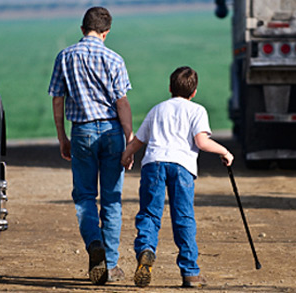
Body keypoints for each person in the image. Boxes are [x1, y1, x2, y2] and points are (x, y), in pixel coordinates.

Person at [121, 66, 234, 288]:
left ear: (170, 88)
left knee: (149, 214)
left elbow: (139, 141)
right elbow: (201, 142)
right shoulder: (197, 110)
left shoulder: (157, 110)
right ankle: (190, 272)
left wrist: (126, 155)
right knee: (183, 217)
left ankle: (146, 250)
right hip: (182, 167)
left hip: (153, 163)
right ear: (194, 92)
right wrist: (225, 152)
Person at [48, 7, 132, 285]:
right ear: (106, 32)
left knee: (84, 196)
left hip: (81, 131)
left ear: (82, 29)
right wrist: (129, 138)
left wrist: (62, 136)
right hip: (111, 130)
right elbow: (121, 102)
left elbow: (58, 99)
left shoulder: (65, 56)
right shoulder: (114, 58)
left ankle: (93, 241)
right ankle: (110, 263)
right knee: (112, 200)